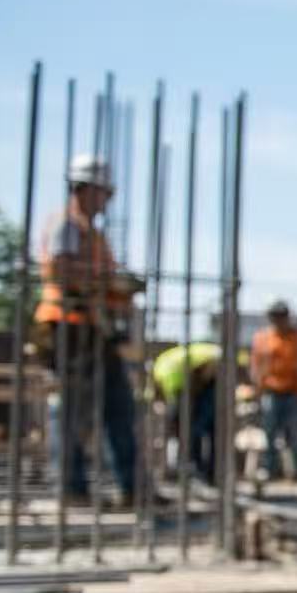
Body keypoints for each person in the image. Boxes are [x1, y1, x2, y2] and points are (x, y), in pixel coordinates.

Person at [36, 154, 142, 507]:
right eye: (103, 193)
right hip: (69, 327)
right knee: (71, 410)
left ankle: (131, 487)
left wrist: (116, 287)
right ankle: (70, 487)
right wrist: (113, 284)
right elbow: (66, 274)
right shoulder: (68, 225)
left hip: (93, 328)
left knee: (118, 407)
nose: (107, 200)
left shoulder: (89, 231)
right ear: (83, 189)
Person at [249, 300, 297, 480]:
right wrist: (256, 385)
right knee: (270, 433)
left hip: (296, 392)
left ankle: (296, 472)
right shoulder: (263, 338)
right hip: (271, 391)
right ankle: (270, 470)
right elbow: (254, 364)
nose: (279, 321)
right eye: (275, 317)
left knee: (294, 434)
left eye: (282, 317)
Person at [152, 342, 221, 483]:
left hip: (203, 385)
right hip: (197, 387)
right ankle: (203, 471)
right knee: (201, 430)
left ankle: (201, 470)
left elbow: (206, 370)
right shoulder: (165, 366)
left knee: (197, 429)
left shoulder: (162, 370)